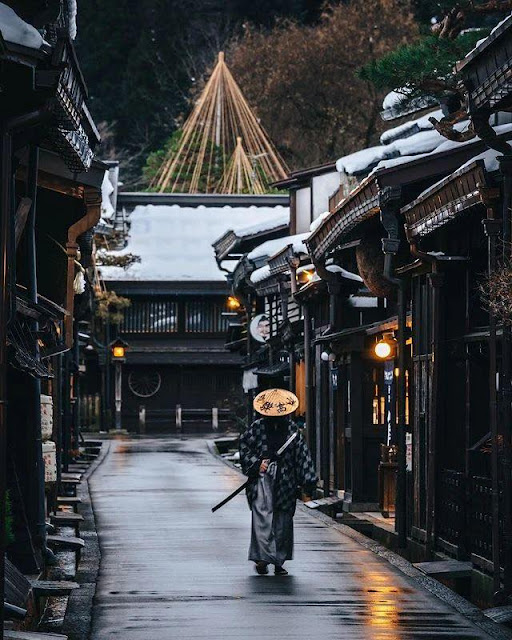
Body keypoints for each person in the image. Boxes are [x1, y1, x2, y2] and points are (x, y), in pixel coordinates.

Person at [239, 388, 317, 576]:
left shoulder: (292, 431)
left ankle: (278, 560)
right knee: (262, 521)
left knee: (282, 522)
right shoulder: (257, 428)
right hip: (262, 479)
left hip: (285, 482)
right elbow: (244, 447)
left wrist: (308, 481)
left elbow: (302, 456)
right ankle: (262, 558)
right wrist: (257, 464)